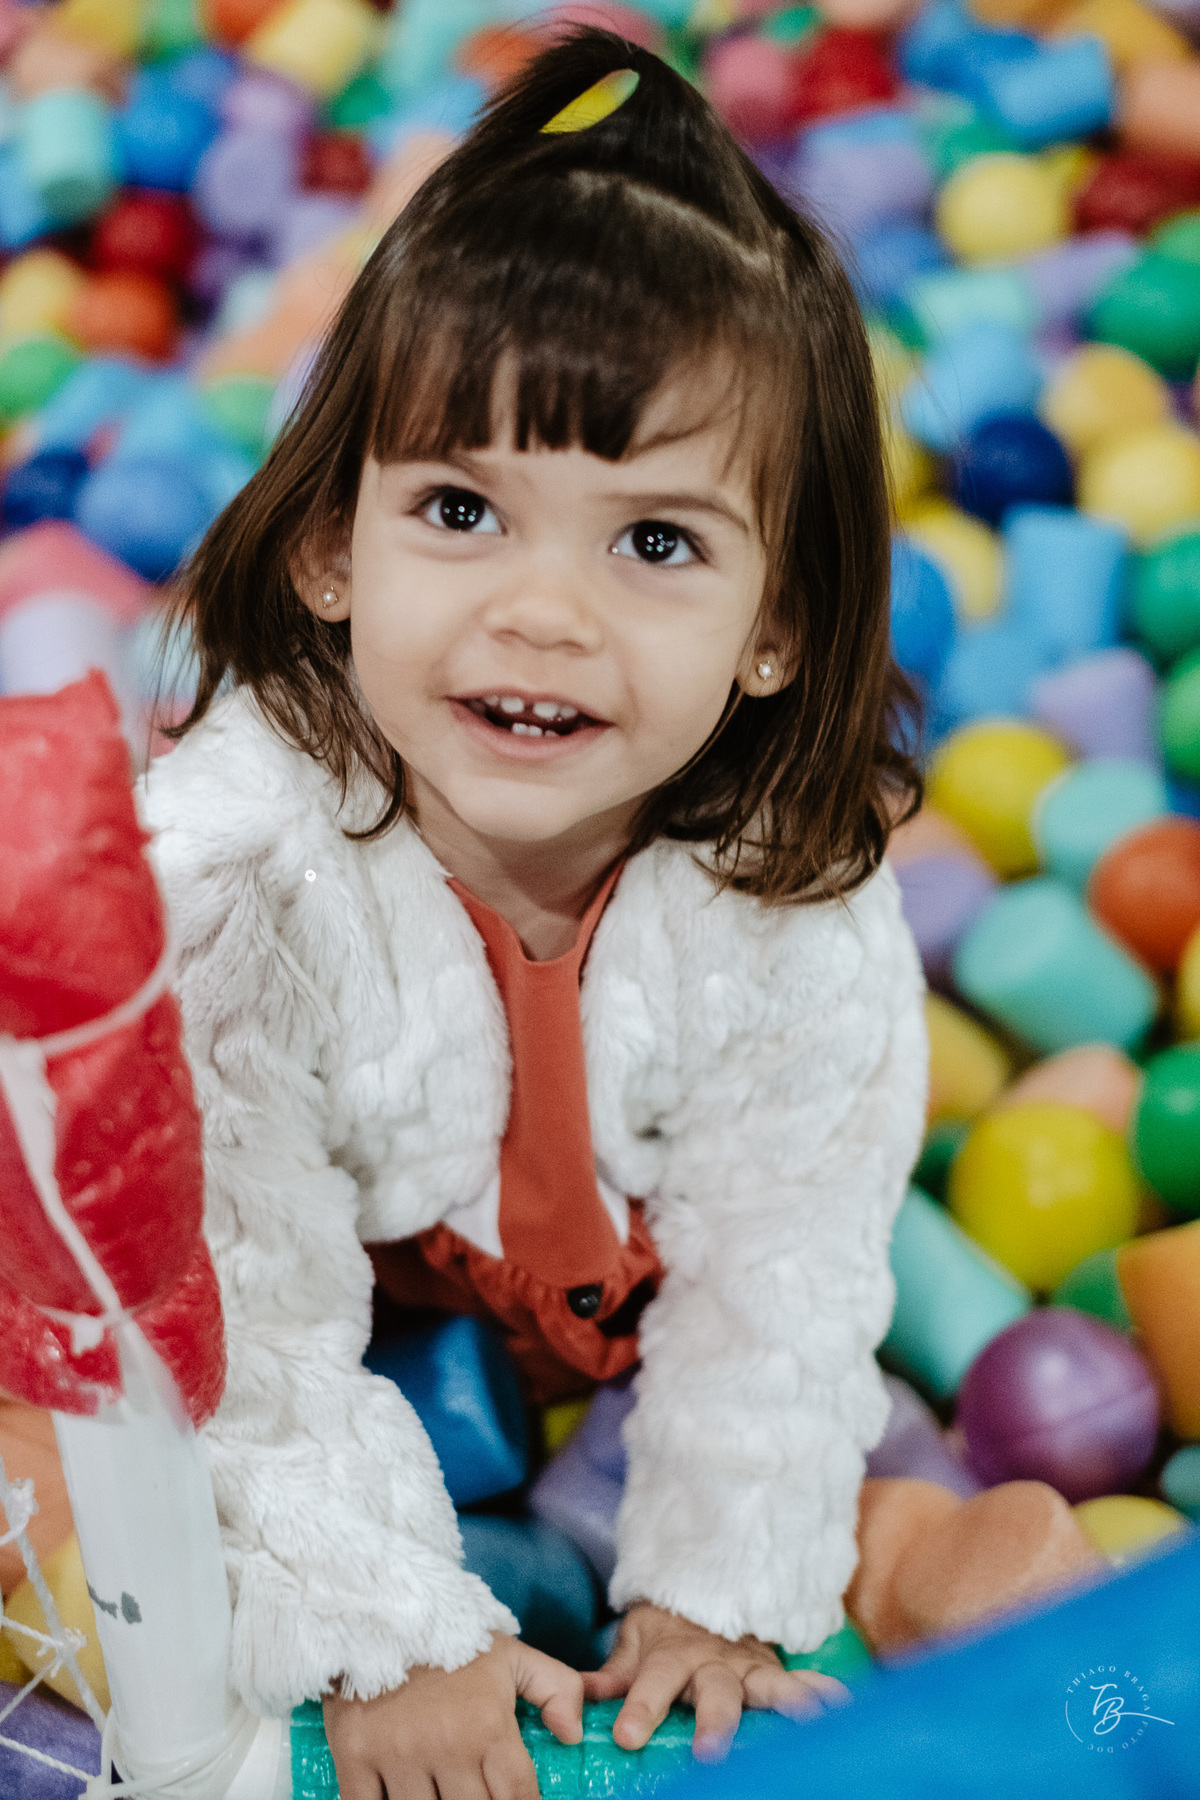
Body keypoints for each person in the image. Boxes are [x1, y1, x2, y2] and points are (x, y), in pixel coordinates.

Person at [139, 26, 928, 1800]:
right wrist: (392, 1628)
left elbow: (793, 1265)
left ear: (777, 624)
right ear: (335, 550)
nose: (543, 614)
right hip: (340, 1312)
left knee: (950, 1534)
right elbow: (230, 1295)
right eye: (462, 510)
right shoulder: (237, 880)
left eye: (653, 544)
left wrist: (726, 1592)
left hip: (595, 1338)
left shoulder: (794, 893)